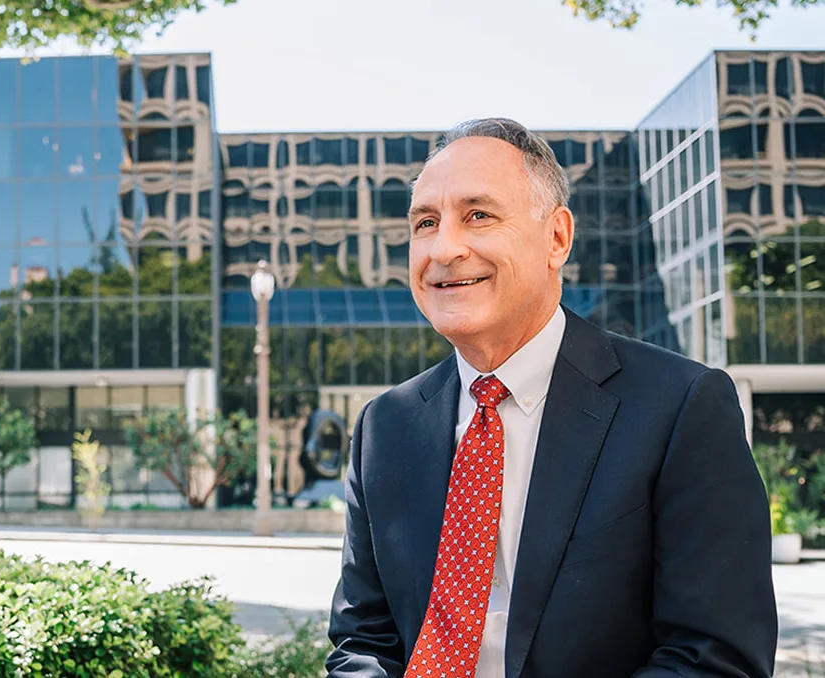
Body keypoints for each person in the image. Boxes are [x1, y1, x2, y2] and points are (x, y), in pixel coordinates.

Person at [325, 118, 778, 678]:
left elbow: (714, 659)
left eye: (478, 215)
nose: (444, 248)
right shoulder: (384, 427)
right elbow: (363, 640)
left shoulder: (682, 406)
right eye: (426, 222)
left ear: (557, 238)